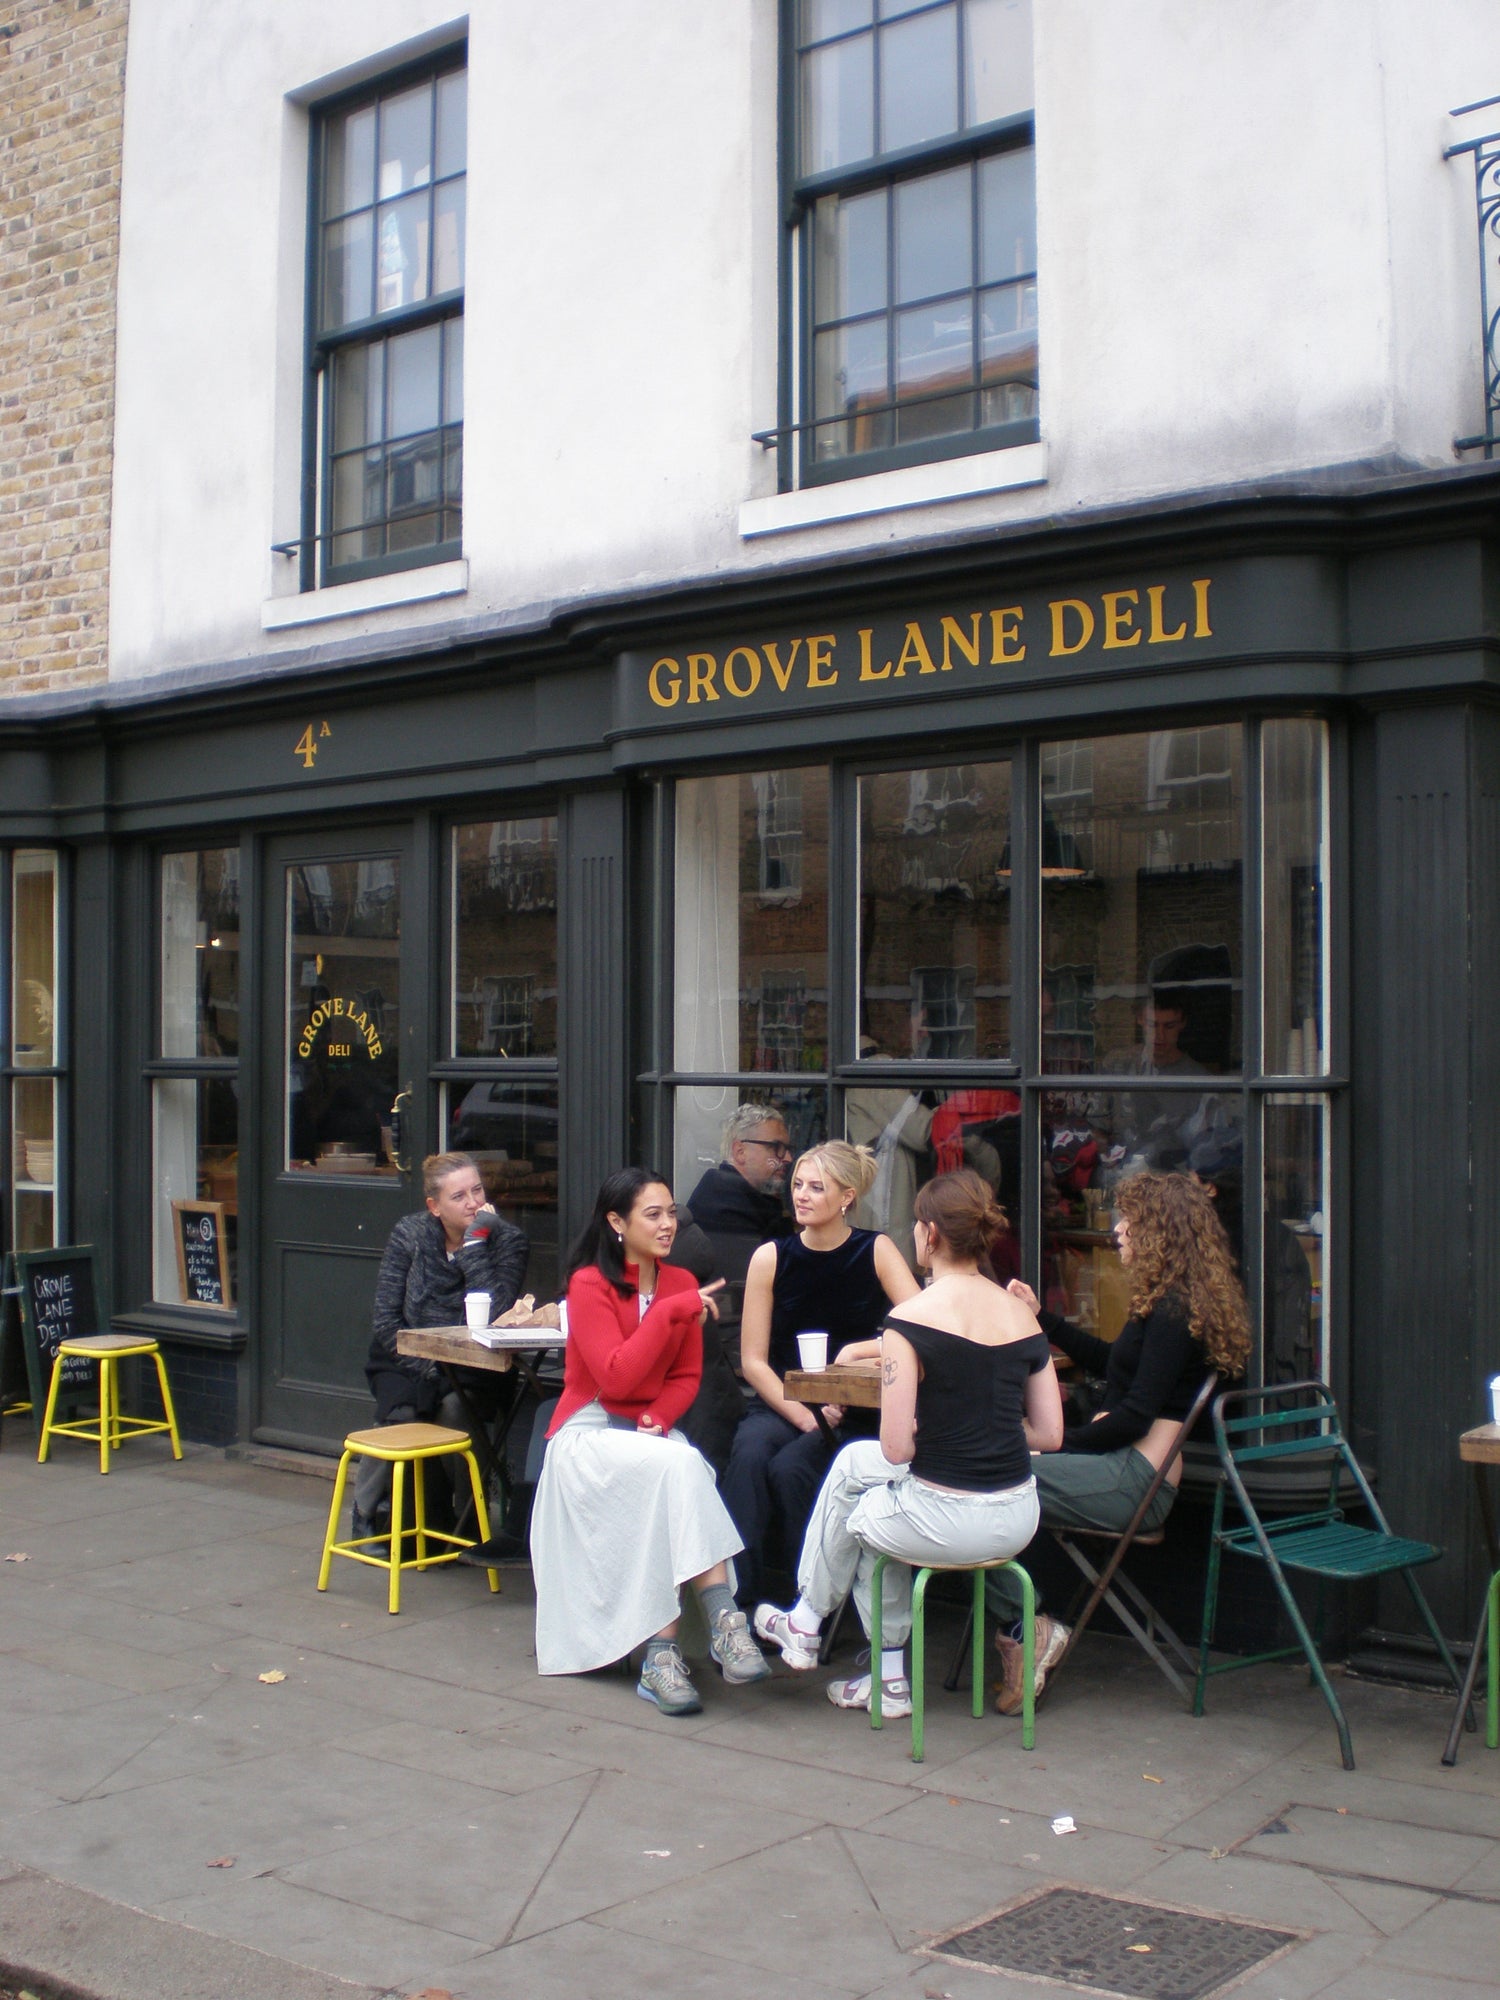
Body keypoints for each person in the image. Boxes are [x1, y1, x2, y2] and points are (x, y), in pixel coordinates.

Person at [753, 1170, 1062, 1718]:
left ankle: (813, 1625)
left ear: (930, 1234)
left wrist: (940, 1432)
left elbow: (896, 1449)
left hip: (945, 1520)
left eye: (917, 1226)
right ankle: (878, 1674)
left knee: (864, 1512)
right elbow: (1049, 1434)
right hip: (1018, 1516)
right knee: (854, 1464)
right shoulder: (1022, 1314)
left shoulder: (909, 1320)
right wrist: (977, 1429)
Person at [988, 1169, 1251, 1713]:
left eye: (1128, 1219)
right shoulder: (1168, 1303)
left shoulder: (1175, 1312)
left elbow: (1133, 1417)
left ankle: (1025, 1624)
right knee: (981, 1481)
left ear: (1158, 1230)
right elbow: (1112, 1362)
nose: (1117, 1230)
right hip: (1125, 1469)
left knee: (977, 1482)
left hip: (1134, 1480)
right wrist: (1044, 1319)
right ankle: (1026, 1625)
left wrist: (1053, 1444)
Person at [530, 1167, 771, 1714]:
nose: (668, 1225)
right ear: (617, 1222)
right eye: (653, 1215)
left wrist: (658, 1419)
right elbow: (614, 1378)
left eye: (672, 1213)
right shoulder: (589, 1284)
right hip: (587, 1432)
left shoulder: (680, 1282)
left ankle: (663, 1656)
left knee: (676, 1465)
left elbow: (686, 1377)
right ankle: (724, 1620)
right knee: (682, 1466)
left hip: (645, 1432)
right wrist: (667, 1313)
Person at [720, 1140, 919, 1607]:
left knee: (792, 1470)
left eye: (816, 1187)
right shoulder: (771, 1256)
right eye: (797, 1185)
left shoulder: (875, 1249)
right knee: (748, 1456)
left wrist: (860, 1351)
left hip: (856, 1407)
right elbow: (753, 1360)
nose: (801, 1196)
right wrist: (804, 1416)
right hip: (783, 1399)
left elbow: (924, 1327)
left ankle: (808, 1603)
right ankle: (739, 1603)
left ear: (847, 1197)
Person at [355, 1152, 532, 1538]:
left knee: (454, 1409)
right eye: (459, 1196)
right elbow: (385, 1321)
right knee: (404, 1412)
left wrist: (474, 1246)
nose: (473, 1202)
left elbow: (495, 1317)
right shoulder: (410, 1234)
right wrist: (429, 1370)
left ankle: (467, 1521)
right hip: (405, 1357)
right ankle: (374, 1517)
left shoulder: (509, 1241)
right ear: (434, 1206)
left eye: (477, 1191)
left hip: (476, 1366)